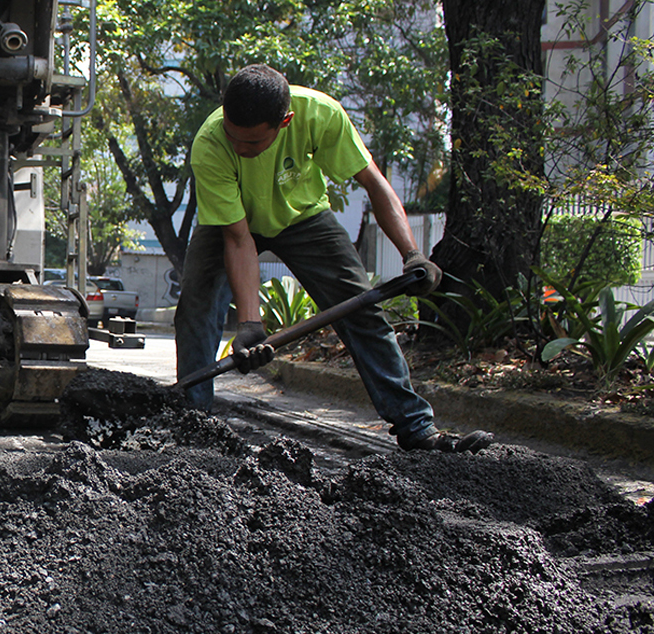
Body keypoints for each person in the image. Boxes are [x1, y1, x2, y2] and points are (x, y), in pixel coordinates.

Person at [175, 64, 491, 454]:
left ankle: (416, 427)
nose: (241, 149)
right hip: (233, 222)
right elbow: (239, 239)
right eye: (234, 138)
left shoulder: (320, 115)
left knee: (361, 311)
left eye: (253, 144)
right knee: (195, 309)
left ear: (285, 121)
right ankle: (192, 426)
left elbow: (374, 183)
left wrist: (411, 254)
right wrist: (250, 323)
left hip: (304, 217)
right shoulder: (210, 143)